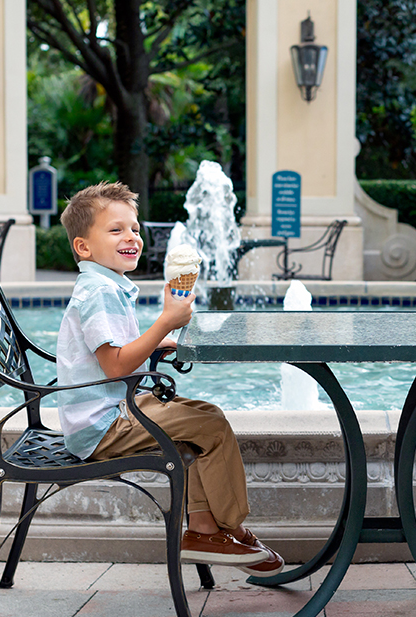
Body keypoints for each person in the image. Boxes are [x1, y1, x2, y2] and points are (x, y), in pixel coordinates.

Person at [56, 181, 283, 577]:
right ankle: (231, 528)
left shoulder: (105, 286)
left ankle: (204, 530)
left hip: (113, 411)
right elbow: (115, 367)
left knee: (200, 416)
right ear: (83, 247)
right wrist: (165, 322)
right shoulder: (98, 293)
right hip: (103, 426)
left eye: (135, 229)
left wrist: (160, 342)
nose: (131, 237)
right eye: (116, 230)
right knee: (210, 424)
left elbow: (114, 357)